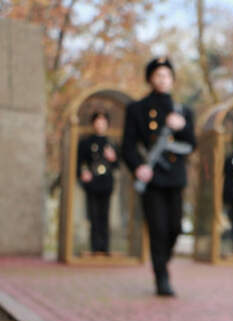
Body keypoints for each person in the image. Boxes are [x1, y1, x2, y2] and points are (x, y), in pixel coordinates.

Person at [121, 57, 196, 296]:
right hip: (152, 177)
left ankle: (163, 260)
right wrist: (137, 167)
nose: (163, 79)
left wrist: (181, 126)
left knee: (174, 227)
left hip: (175, 177)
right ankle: (161, 277)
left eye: (167, 75)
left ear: (172, 80)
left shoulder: (183, 111)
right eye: (158, 75)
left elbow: (191, 144)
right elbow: (128, 146)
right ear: (150, 78)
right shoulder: (137, 109)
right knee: (157, 228)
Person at [77, 111, 119, 254]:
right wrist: (83, 172)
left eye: (103, 122)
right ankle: (95, 247)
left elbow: (117, 165)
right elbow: (79, 162)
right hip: (92, 183)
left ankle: (105, 247)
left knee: (105, 215)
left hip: (106, 182)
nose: (100, 124)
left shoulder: (111, 143)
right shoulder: (86, 142)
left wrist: (113, 158)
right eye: (98, 121)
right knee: (93, 215)